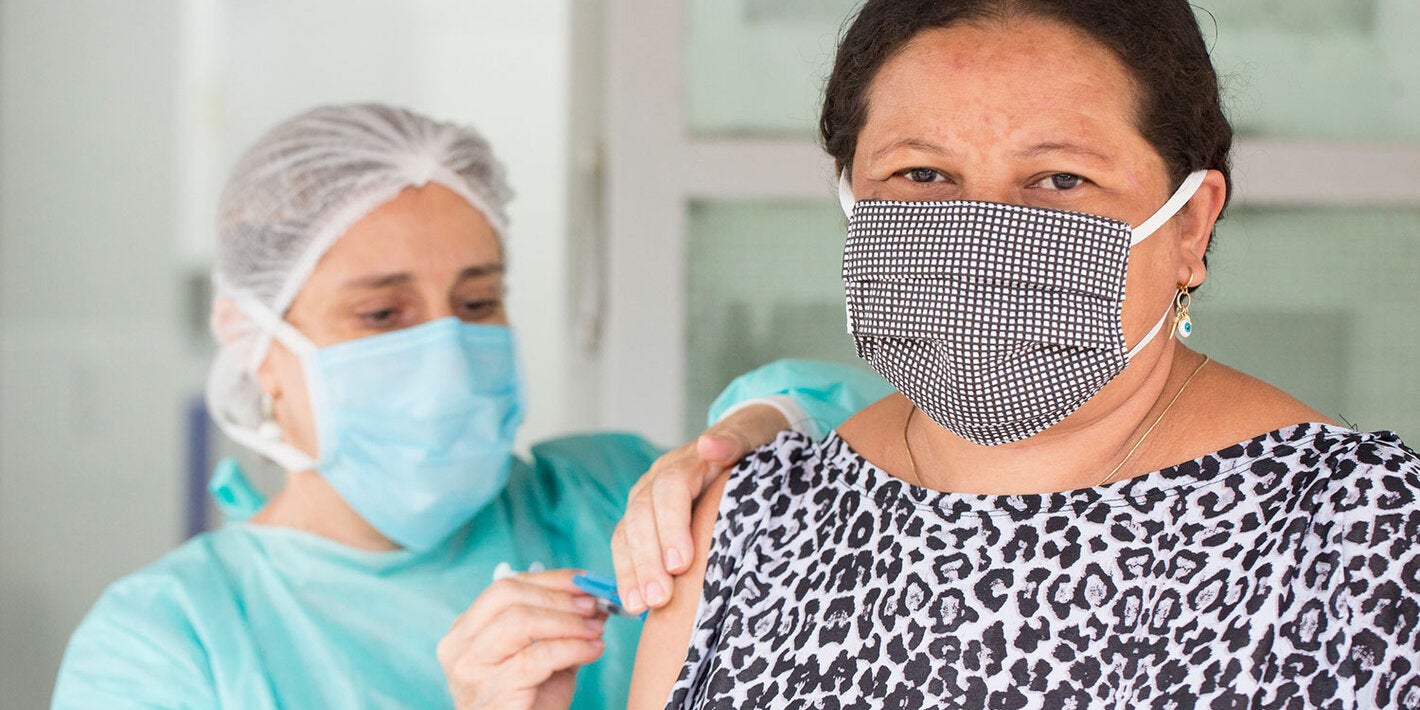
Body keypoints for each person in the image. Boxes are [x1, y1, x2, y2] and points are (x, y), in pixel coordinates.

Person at [626, 1, 1420, 707]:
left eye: (1059, 179)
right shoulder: (747, 527)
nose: (981, 238)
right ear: (850, 193)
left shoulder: (1363, 537)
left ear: (1190, 226)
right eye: (921, 172)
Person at [51, 103, 889, 709]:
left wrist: (765, 423)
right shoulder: (168, 644)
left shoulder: (614, 495)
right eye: (383, 315)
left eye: (479, 302)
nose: (448, 349)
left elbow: (904, 443)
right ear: (258, 350)